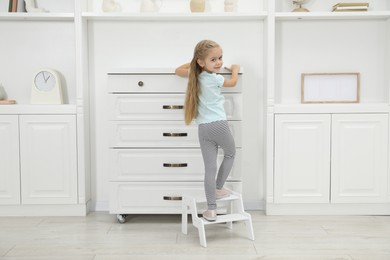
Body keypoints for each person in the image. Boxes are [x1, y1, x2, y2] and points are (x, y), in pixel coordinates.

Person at [175, 40, 240, 221]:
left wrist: (197, 63)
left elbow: (177, 70)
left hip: (203, 128)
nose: (219, 62)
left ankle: (211, 210)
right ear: (202, 62)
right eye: (214, 59)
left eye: (220, 58)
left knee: (209, 168)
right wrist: (234, 68)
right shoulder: (215, 78)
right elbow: (233, 82)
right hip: (219, 124)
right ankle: (219, 188)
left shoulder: (194, 76)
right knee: (230, 154)